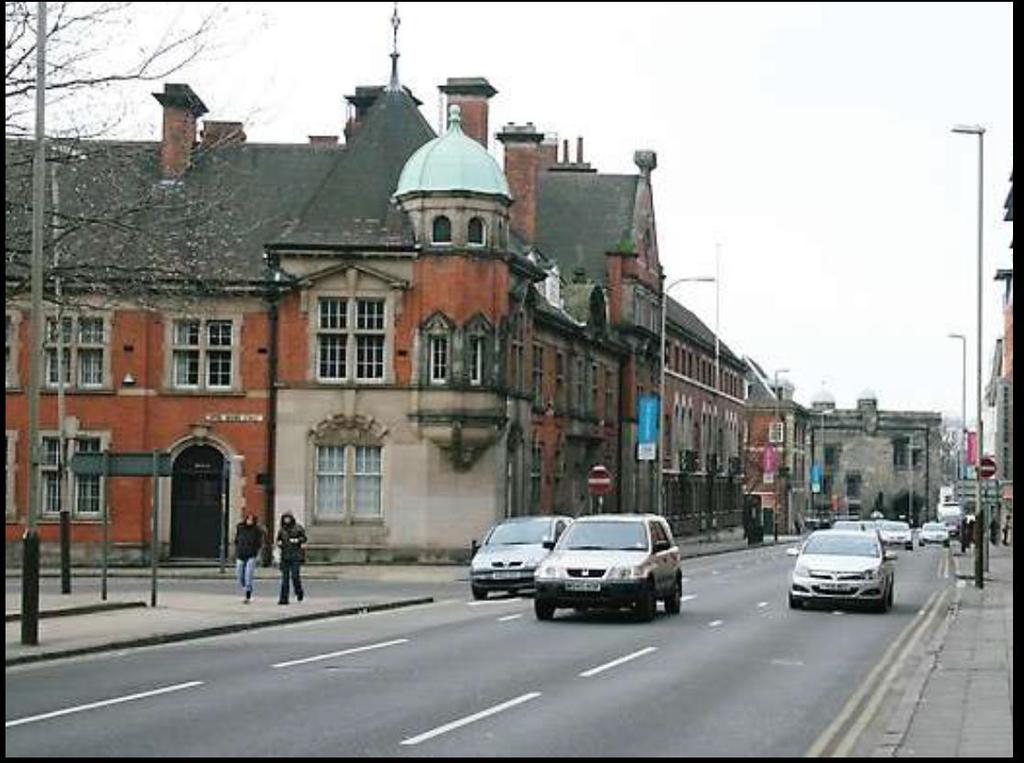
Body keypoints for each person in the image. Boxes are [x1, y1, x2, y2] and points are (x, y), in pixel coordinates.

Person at [276, 512, 307, 605]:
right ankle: (283, 599)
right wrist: (279, 543)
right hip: (285, 557)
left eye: (288, 518)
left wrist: (298, 540)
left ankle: (299, 592)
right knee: (284, 579)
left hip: (295, 556)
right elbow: (278, 539)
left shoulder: (298, 528)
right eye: (285, 519)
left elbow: (304, 538)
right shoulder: (282, 530)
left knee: (295, 577)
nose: (287, 520)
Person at [234, 512, 265, 603]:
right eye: (248, 519)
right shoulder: (240, 528)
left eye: (251, 520)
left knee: (248, 576)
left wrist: (257, 553)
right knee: (239, 575)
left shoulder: (257, 530)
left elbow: (260, 542)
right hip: (240, 554)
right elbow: (237, 539)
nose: (249, 521)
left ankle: (247, 593)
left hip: (251, 555)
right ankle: (245, 587)